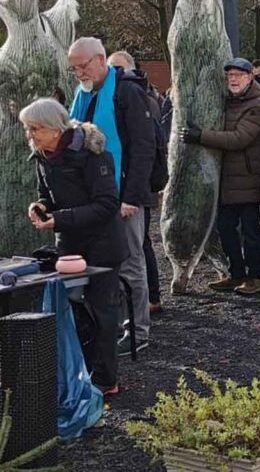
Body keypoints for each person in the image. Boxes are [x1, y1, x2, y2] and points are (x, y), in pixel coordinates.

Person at [21, 98, 128, 396]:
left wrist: (59, 218)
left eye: (35, 129)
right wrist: (39, 206)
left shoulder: (93, 155)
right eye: (27, 130)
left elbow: (108, 205)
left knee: (103, 312)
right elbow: (45, 193)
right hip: (68, 243)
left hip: (103, 245)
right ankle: (75, 372)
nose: (30, 136)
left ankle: (106, 381)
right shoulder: (42, 154)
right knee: (72, 311)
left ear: (56, 130)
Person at [68, 37, 155, 356]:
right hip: (94, 197)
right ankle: (109, 328)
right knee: (100, 265)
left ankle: (138, 331)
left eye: (83, 65)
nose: (78, 72)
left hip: (123, 196)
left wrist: (132, 196)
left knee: (130, 262)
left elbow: (144, 148)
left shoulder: (127, 92)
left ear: (101, 60)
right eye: (74, 67)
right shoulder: (83, 93)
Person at [181, 58, 260, 296]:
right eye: (230, 75)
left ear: (250, 77)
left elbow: (239, 138)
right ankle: (236, 274)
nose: (233, 79)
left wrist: (201, 136)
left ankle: (256, 277)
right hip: (228, 178)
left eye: (238, 75)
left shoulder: (257, 105)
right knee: (226, 228)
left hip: (248, 178)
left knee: (250, 230)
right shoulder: (230, 101)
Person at [107, 50, 163, 316]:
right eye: (111, 68)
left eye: (119, 68)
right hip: (130, 183)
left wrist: (139, 188)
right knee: (139, 244)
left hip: (138, 184)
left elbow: (146, 145)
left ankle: (150, 299)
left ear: (130, 68)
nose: (114, 73)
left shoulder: (139, 97)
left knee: (140, 245)